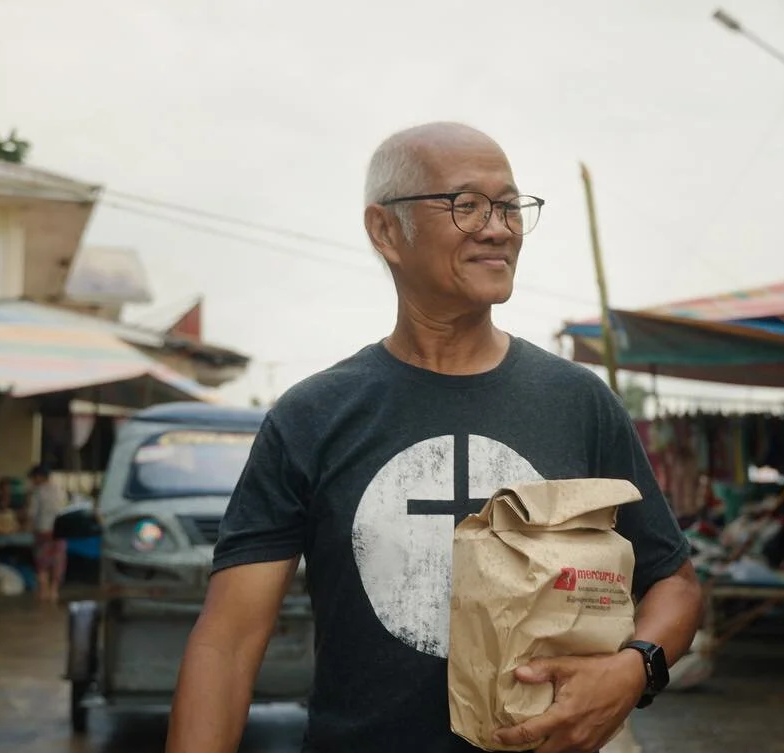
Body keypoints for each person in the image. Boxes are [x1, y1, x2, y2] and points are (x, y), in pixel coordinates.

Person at [168, 122, 702, 753]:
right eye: (466, 204)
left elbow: (675, 582)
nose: (498, 227)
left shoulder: (578, 401)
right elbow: (228, 642)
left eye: (509, 206)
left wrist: (634, 667)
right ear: (385, 230)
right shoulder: (313, 415)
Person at [26, 463, 67, 604]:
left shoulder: (38, 492)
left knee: (42, 563)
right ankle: (54, 591)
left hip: (43, 531)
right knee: (57, 562)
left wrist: (26, 525)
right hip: (59, 531)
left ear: (39, 477)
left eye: (33, 478)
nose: (32, 481)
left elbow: (32, 513)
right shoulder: (60, 490)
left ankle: (43, 592)